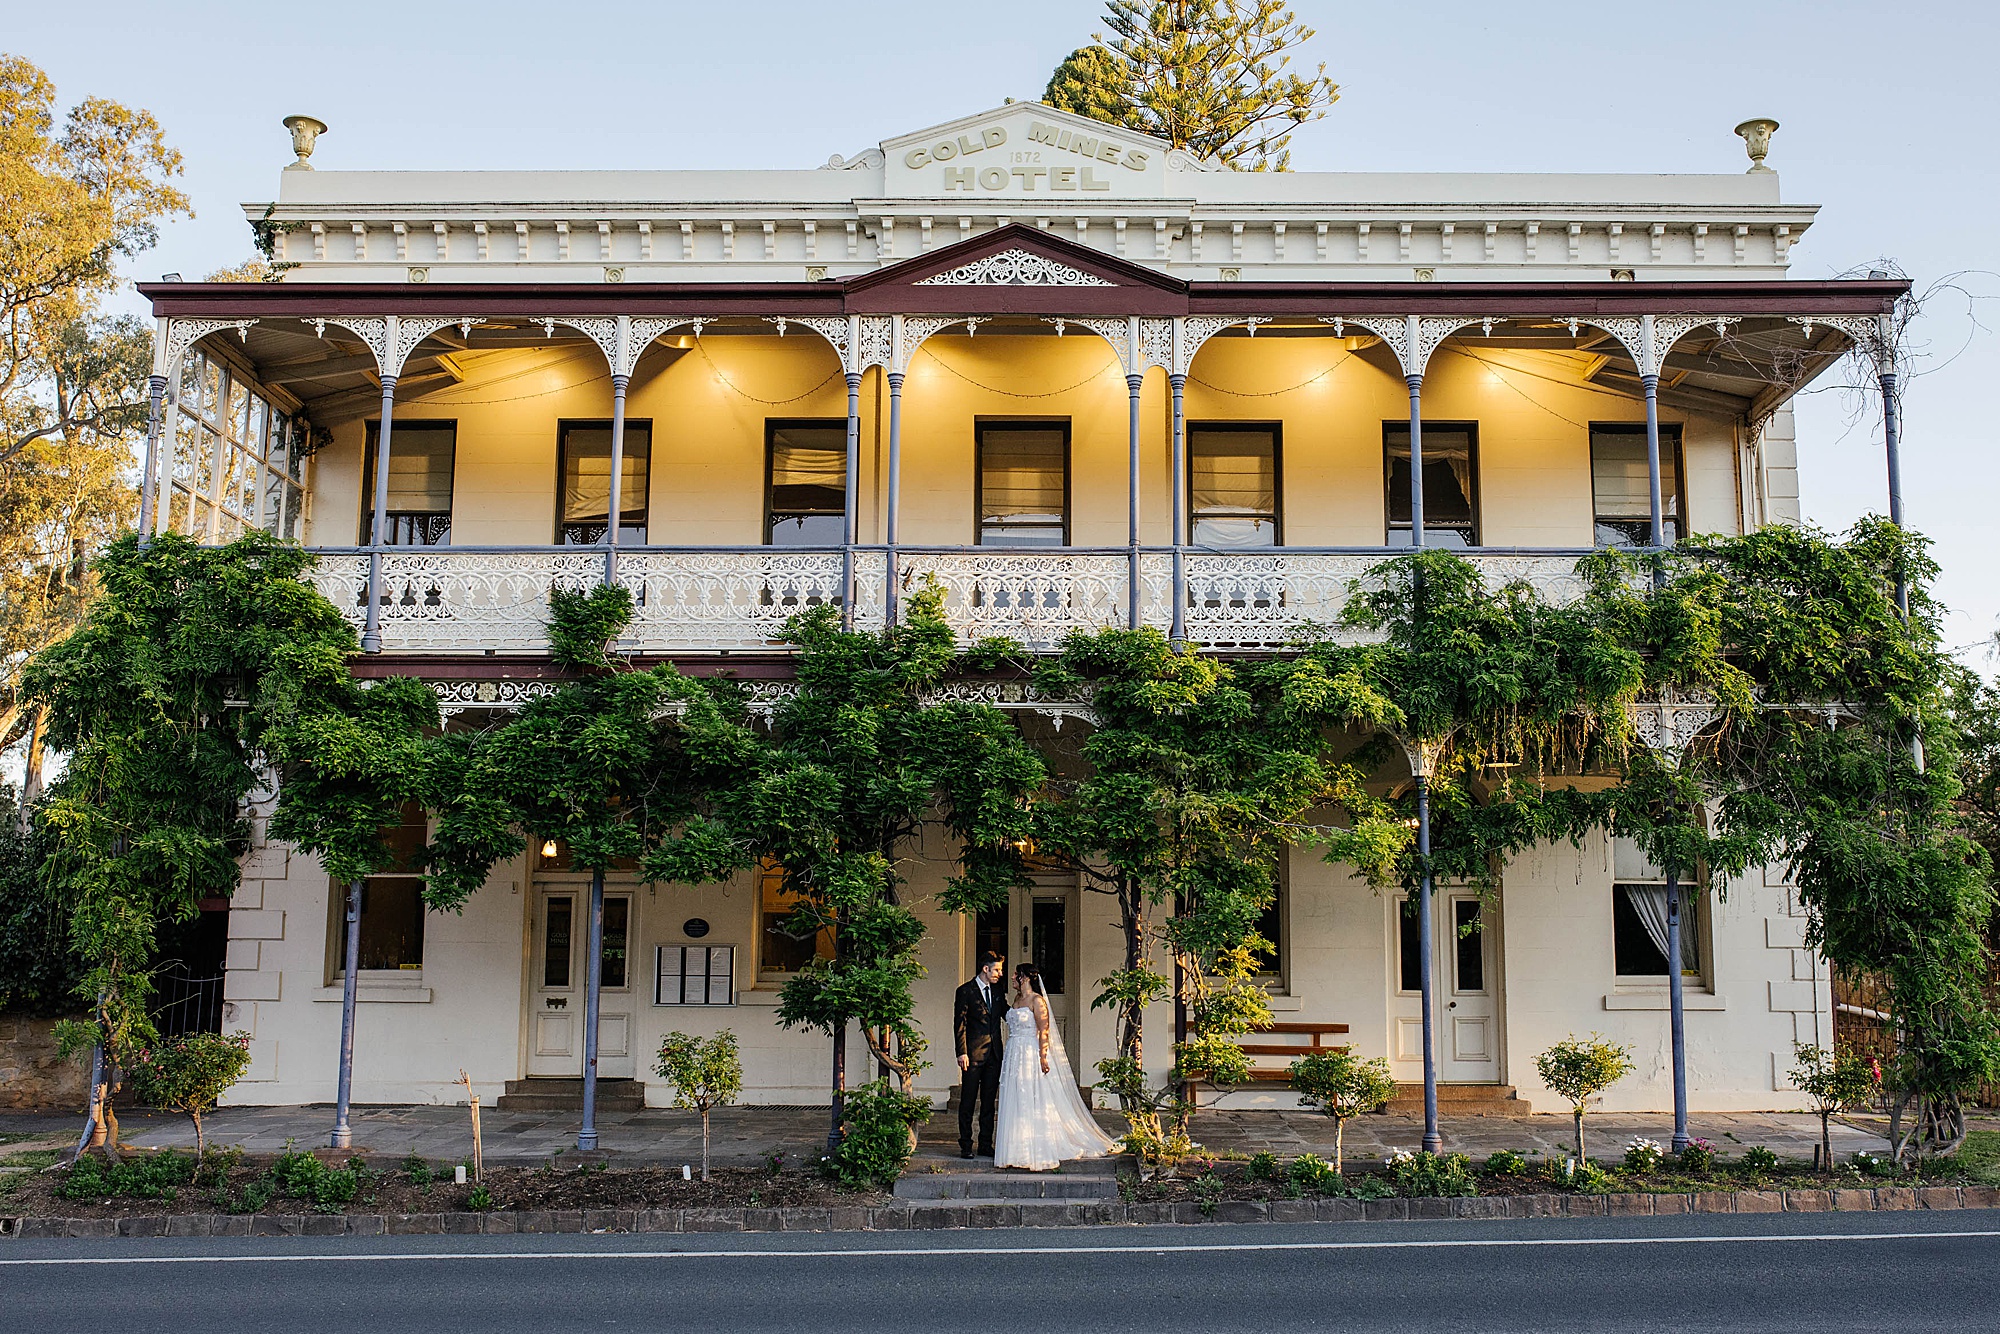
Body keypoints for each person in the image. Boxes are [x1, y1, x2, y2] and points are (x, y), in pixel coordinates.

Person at [994, 962, 1119, 1171]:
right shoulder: (1016, 1000)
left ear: (1025, 977)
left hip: (1030, 1052)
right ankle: (1015, 1148)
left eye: (1017, 974)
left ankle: (1036, 1148)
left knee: (1031, 1096)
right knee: (1015, 1095)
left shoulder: (1037, 1001)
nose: (1013, 977)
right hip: (1014, 1052)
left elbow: (1044, 1030)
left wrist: (1043, 1057)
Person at [953, 951, 1007, 1159]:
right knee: (967, 1101)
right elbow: (960, 1024)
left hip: (993, 1054)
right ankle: (966, 1144)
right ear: (986, 969)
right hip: (972, 1054)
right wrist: (962, 1052)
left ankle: (985, 1144)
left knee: (988, 1102)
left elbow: (1005, 1013)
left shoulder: (997, 990)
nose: (1000, 974)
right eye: (997, 970)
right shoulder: (965, 991)